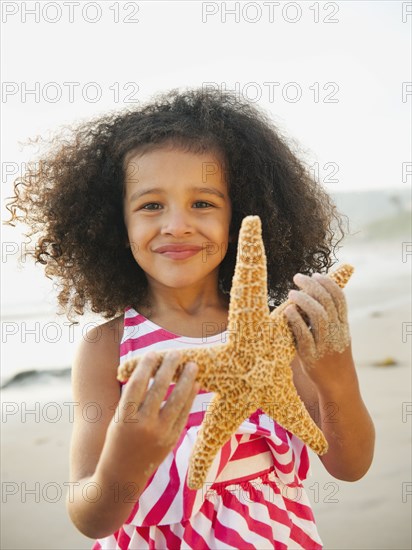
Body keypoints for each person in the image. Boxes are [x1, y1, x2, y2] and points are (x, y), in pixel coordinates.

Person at [6, 88, 375, 549]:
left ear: (238, 217)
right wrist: (125, 460)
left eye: (202, 203)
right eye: (150, 205)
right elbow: (89, 517)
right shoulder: (108, 349)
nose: (176, 224)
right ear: (117, 227)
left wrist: (337, 378)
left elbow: (351, 465)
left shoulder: (279, 336)